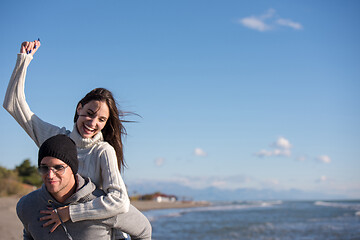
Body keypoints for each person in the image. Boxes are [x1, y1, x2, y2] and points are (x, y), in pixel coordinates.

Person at [4, 40, 151, 239]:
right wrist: (24, 60)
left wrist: (69, 213)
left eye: (101, 119)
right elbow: (14, 105)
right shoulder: (56, 139)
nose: (92, 122)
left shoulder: (103, 151)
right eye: (89, 113)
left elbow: (120, 201)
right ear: (79, 108)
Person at [17, 134, 150, 240]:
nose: (50, 175)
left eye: (58, 168)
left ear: (73, 169)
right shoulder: (26, 205)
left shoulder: (104, 205)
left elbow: (143, 230)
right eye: (44, 168)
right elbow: (29, 235)